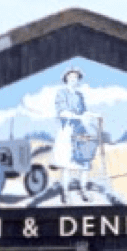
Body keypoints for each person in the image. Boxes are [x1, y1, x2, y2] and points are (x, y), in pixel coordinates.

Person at [52, 67, 100, 203]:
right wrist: (76, 117)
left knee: (84, 161)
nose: (74, 80)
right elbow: (61, 112)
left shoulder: (80, 95)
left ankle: (83, 190)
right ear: (66, 78)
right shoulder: (61, 93)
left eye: (76, 78)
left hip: (80, 130)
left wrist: (94, 115)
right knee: (67, 163)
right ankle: (65, 192)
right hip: (66, 130)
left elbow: (84, 112)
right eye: (71, 77)